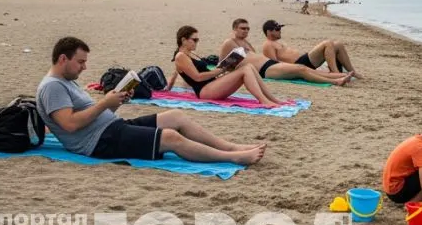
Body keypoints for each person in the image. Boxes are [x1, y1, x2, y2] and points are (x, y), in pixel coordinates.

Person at [36, 37, 266, 164]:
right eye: (80, 62)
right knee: (170, 137)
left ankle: (231, 146)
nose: (84, 67)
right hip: (98, 143)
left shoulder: (65, 81)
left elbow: (90, 113)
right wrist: (104, 103)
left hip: (111, 128)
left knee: (175, 116)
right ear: (63, 58)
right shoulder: (52, 87)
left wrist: (114, 102)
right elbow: (70, 124)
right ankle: (232, 157)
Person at [168, 25, 285, 107]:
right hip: (205, 91)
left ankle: (272, 99)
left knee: (248, 66)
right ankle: (264, 100)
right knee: (245, 70)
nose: (197, 42)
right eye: (194, 39)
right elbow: (197, 77)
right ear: (183, 40)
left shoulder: (188, 54)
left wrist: (168, 87)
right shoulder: (181, 56)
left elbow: (177, 72)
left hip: (212, 84)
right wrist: (220, 70)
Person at [220, 18, 352, 86]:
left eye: (247, 29)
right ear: (234, 29)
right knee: (301, 70)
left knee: (305, 69)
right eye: (242, 28)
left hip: (269, 64)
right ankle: (335, 81)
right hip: (264, 70)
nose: (246, 31)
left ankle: (338, 76)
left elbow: (253, 56)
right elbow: (222, 65)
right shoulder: (229, 42)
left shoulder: (246, 43)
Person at [261, 20, 361, 78]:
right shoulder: (268, 45)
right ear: (269, 32)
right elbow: (273, 65)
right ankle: (336, 73)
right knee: (327, 43)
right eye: (277, 29)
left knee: (338, 44)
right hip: (299, 64)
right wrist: (292, 69)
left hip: (304, 60)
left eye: (280, 28)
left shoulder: (276, 43)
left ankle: (353, 72)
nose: (280, 31)